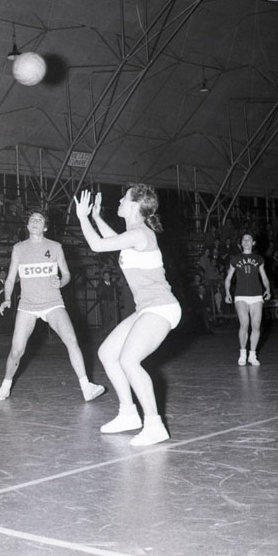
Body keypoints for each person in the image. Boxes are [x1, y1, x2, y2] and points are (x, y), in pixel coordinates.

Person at [75, 186, 181, 447]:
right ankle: (128, 414)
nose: (120, 199)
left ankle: (154, 425)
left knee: (129, 360)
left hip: (161, 307)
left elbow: (98, 245)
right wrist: (96, 218)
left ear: (135, 205)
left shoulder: (140, 233)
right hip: (146, 308)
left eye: (125, 197)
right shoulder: (134, 235)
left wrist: (82, 218)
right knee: (107, 353)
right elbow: (114, 242)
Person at [0, 209, 105, 403]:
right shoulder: (19, 248)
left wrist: (61, 282)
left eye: (39, 219)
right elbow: (10, 279)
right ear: (27, 225)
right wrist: (7, 298)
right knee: (16, 351)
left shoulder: (55, 247)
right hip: (27, 305)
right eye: (32, 219)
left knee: (71, 340)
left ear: (45, 227)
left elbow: (67, 274)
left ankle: (86, 387)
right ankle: (5, 386)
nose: (35, 222)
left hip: (53, 302)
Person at [223, 233, 271, 366]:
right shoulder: (235, 259)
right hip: (241, 295)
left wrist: (268, 289)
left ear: (253, 243)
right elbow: (228, 278)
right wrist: (227, 292)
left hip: (257, 295)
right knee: (244, 323)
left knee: (256, 325)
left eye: (249, 239)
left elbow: (264, 277)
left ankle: (252, 355)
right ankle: (243, 353)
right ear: (241, 243)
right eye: (244, 240)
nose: (246, 241)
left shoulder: (259, 259)